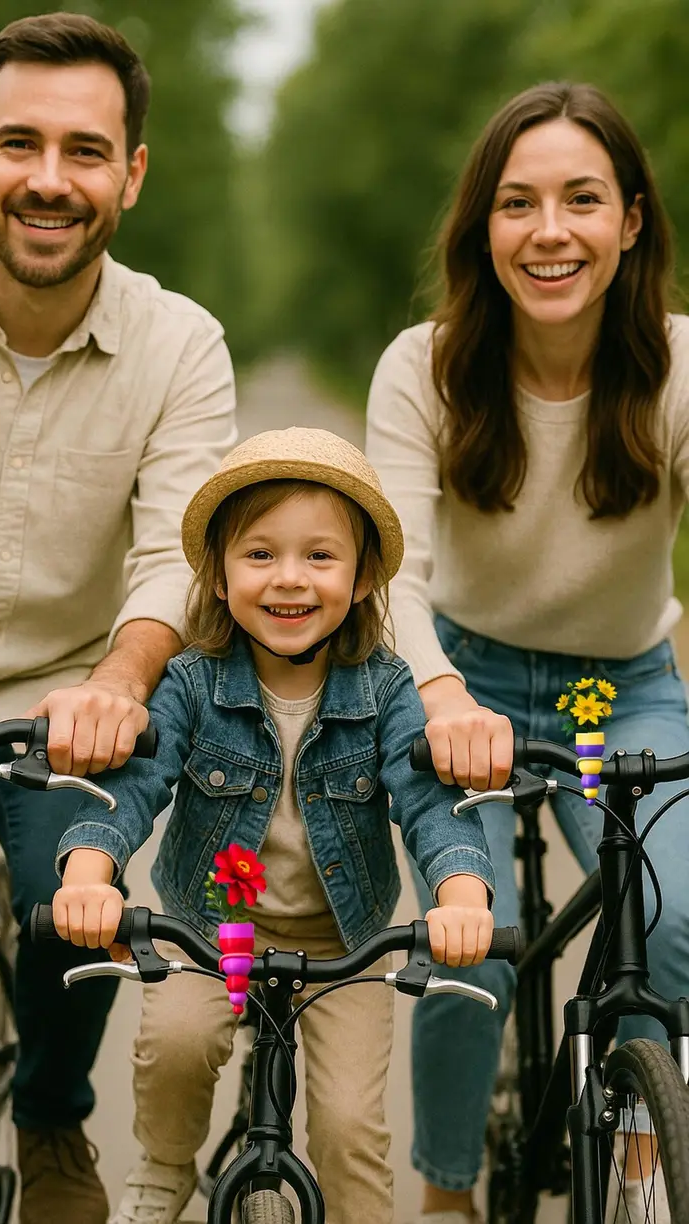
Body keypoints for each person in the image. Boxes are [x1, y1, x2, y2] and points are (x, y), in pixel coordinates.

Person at [0, 12, 236, 1223]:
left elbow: (178, 556)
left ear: (131, 174)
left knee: (74, 906)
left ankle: (46, 1110)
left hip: (66, 699)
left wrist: (121, 684)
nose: (48, 179)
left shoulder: (180, 345)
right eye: (19, 144)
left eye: (85, 151)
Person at [365, 80, 689, 1222]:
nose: (550, 232)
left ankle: (649, 1171)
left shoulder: (680, 369)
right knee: (473, 945)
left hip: (623, 695)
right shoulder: (426, 367)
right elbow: (389, 574)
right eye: (518, 204)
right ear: (483, 227)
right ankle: (447, 1191)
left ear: (632, 221)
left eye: (582, 200)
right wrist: (443, 696)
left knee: (674, 908)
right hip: (464, 678)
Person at [52, 426, 496, 1224]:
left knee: (351, 1132)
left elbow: (430, 802)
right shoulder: (191, 681)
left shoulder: (388, 688)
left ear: (361, 580)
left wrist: (461, 896)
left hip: (342, 938)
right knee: (178, 1049)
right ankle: (162, 1166)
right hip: (210, 926)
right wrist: (89, 877)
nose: (289, 579)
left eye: (320, 557)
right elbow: (133, 788)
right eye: (260, 554)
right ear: (219, 578)